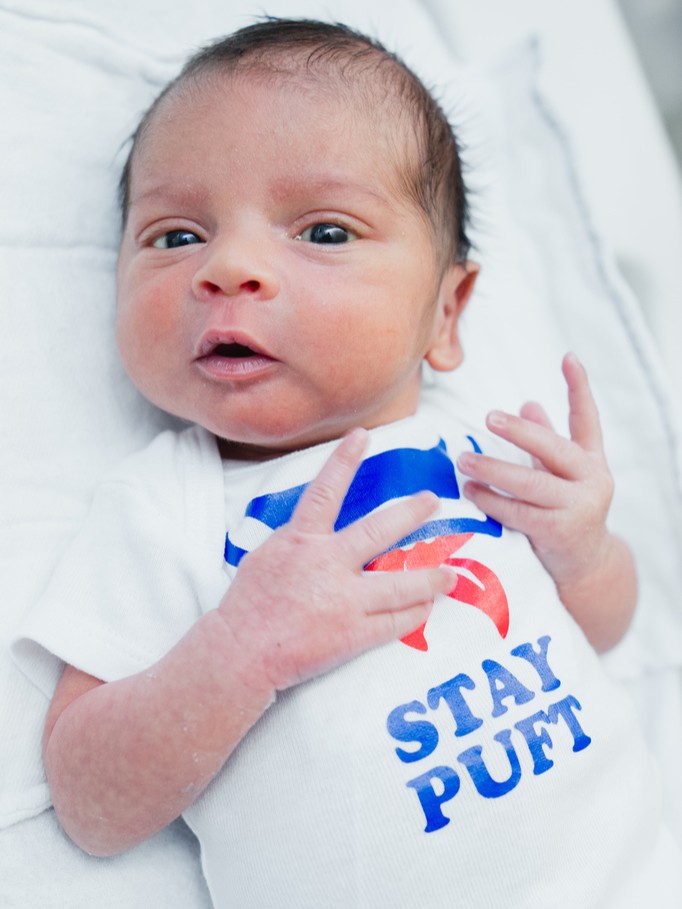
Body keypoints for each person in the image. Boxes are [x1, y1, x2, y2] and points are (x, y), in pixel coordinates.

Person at [14, 18, 681, 908]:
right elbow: (92, 802)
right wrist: (240, 653)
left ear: (447, 314)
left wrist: (585, 550)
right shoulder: (167, 506)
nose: (232, 267)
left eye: (324, 231)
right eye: (177, 237)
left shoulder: (481, 450)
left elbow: (606, 631)